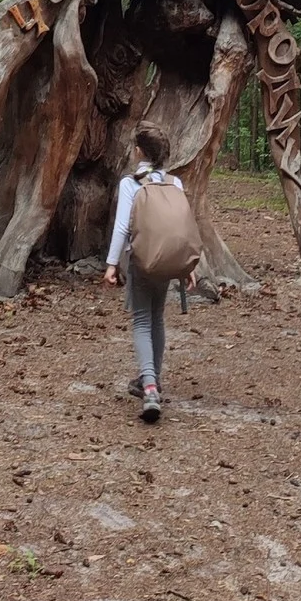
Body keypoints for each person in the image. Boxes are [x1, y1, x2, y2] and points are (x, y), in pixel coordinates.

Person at [103, 124, 194, 423]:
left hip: (142, 261)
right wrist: (189, 267)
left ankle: (150, 387)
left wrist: (112, 263)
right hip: (169, 262)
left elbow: (122, 227)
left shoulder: (131, 183)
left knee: (142, 319)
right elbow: (182, 229)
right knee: (157, 317)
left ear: (139, 151)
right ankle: (150, 379)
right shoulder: (174, 183)